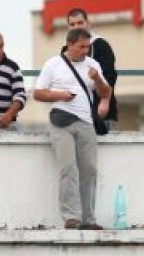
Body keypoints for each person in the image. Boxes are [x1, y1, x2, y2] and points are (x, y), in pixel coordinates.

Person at [33, 28, 113, 229]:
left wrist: (97, 79)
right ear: (70, 44)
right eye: (81, 47)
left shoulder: (92, 64)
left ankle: (89, 219)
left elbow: (105, 93)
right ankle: (71, 217)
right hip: (61, 121)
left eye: (88, 47)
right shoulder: (53, 64)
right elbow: (38, 93)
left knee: (90, 170)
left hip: (86, 122)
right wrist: (60, 95)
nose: (85, 51)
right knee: (68, 168)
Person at [66, 8, 118, 128]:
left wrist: (105, 102)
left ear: (88, 24)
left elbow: (109, 76)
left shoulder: (101, 45)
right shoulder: (66, 49)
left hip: (99, 113)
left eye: (80, 23)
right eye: (72, 24)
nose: (76, 27)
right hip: (75, 113)